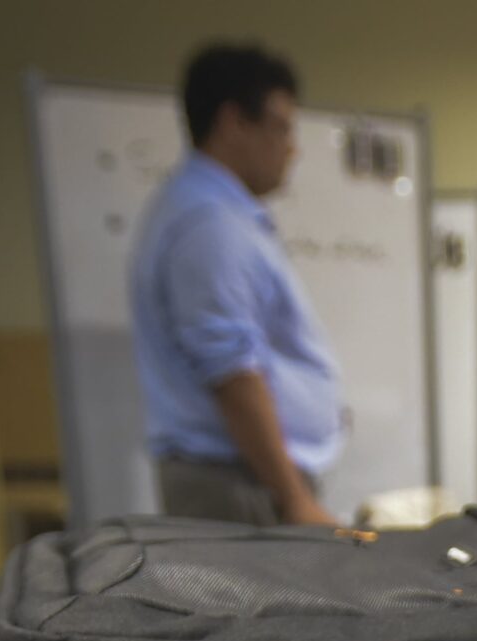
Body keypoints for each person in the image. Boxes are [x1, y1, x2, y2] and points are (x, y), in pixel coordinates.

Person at [131, 43, 341, 526]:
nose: (291, 148)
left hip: (246, 479)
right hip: (239, 487)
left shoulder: (213, 213)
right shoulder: (209, 225)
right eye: (281, 127)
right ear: (233, 123)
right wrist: (294, 498)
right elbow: (231, 372)